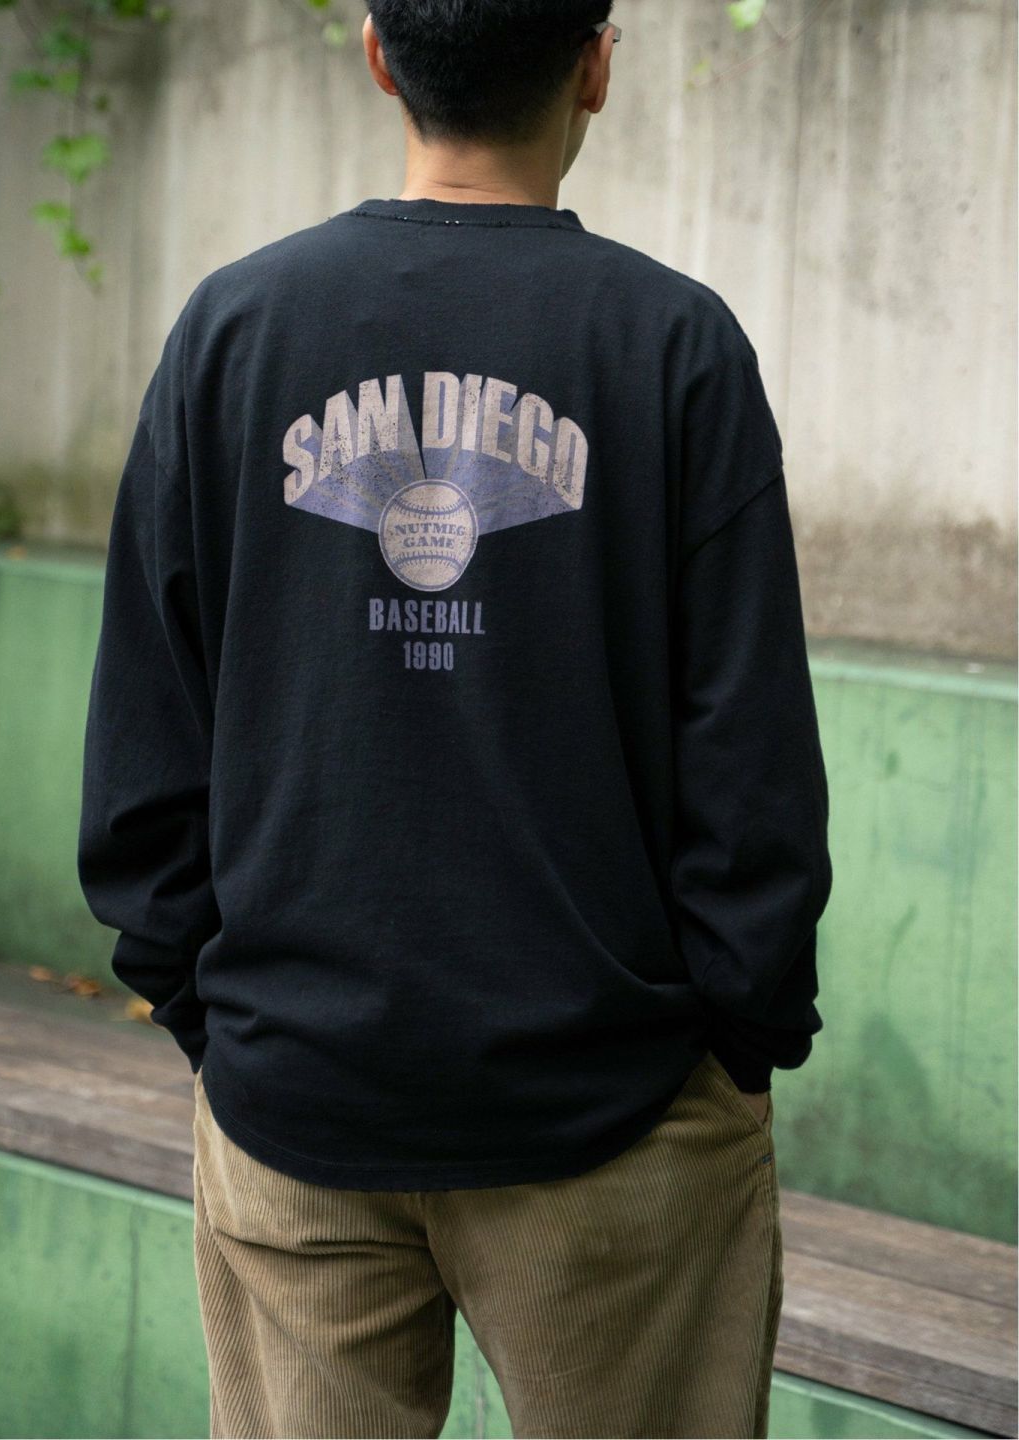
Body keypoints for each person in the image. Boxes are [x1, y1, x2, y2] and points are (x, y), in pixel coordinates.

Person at [77, 3, 833, 1436]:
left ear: (378, 52)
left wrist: (212, 1010)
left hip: (296, 1101)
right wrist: (742, 1034)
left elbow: (141, 748)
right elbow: (751, 765)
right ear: (595, 66)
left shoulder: (232, 331)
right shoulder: (675, 346)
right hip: (611, 1113)